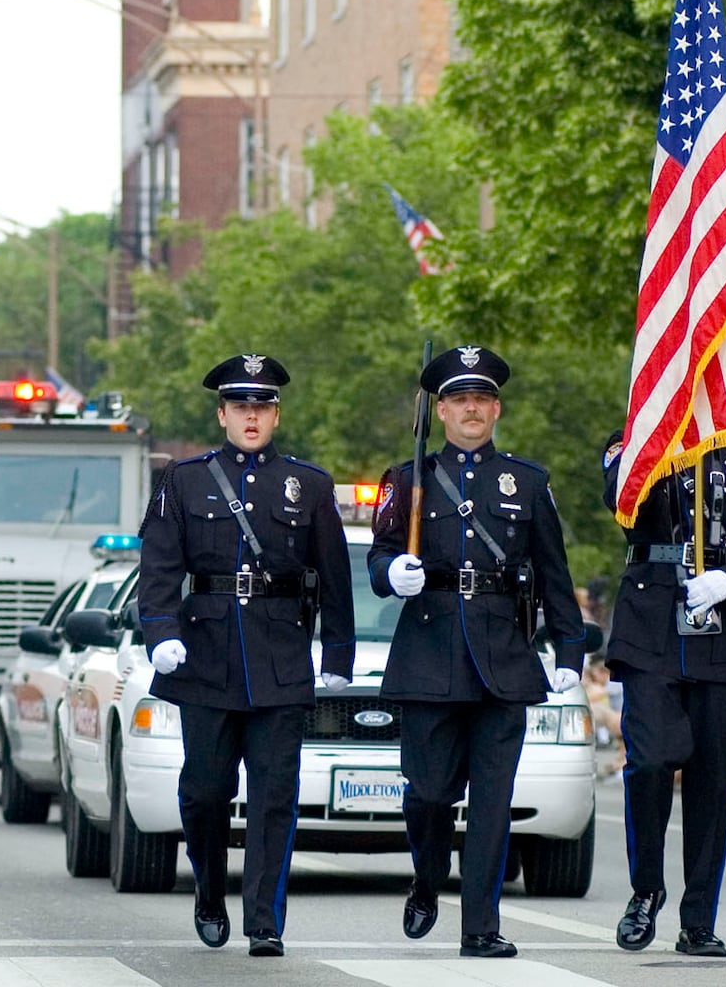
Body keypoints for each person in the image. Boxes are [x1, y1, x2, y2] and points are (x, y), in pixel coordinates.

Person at [368, 345, 587, 959]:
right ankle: (427, 876)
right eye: (460, 400)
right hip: (429, 651)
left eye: (482, 400)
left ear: (496, 409)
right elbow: (379, 553)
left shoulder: (529, 481)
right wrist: (393, 573)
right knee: (430, 794)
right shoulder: (406, 477)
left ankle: (481, 927)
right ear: (440, 411)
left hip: (503, 657)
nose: (472, 409)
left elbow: (552, 570)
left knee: (493, 801)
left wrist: (569, 650)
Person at [137, 353, 355, 958]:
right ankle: (209, 892)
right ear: (222, 414)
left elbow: (334, 576)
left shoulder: (309, 486)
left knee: (274, 796)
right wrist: (161, 634)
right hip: (204, 658)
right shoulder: (184, 481)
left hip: (280, 660)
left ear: (276, 414)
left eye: (261, 406)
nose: (251, 416)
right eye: (241, 407)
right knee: (204, 792)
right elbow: (157, 568)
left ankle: (265, 919)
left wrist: (337, 655)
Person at [600, 424, 726, 956]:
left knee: (713, 782)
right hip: (650, 627)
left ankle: (699, 918)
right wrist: (654, 436)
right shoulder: (638, 439)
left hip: (719, 630)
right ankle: (646, 890)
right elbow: (618, 499)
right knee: (650, 762)